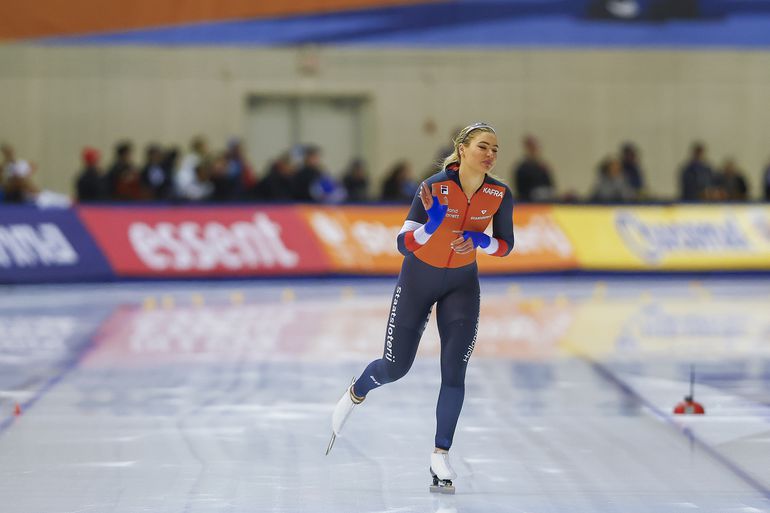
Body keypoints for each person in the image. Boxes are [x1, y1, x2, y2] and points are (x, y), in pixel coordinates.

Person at [326, 122, 515, 494]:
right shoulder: (432, 188)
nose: (491, 155)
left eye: (495, 149)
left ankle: (440, 455)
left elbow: (506, 245)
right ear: (462, 149)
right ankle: (358, 388)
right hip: (417, 281)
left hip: (461, 285)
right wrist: (432, 225)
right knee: (396, 367)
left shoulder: (499, 194)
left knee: (455, 371)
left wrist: (482, 239)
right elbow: (402, 244)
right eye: (483, 147)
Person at [512, 135, 555, 202]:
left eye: (535, 148)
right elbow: (520, 190)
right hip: (529, 202)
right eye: (531, 148)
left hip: (545, 200)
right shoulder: (522, 169)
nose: (534, 150)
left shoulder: (543, 167)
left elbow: (550, 186)